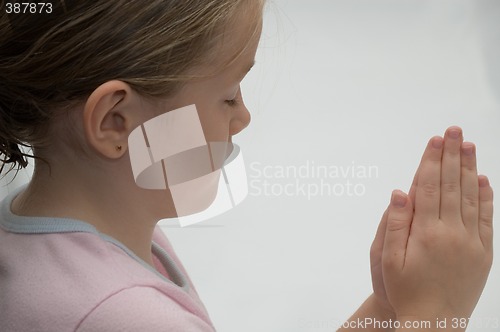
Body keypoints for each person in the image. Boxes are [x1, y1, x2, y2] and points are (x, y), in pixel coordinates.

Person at [0, 1, 493, 331]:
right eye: (228, 96)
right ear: (116, 122)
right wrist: (438, 313)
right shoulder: (125, 315)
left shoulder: (46, 233)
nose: (244, 117)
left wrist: (388, 310)